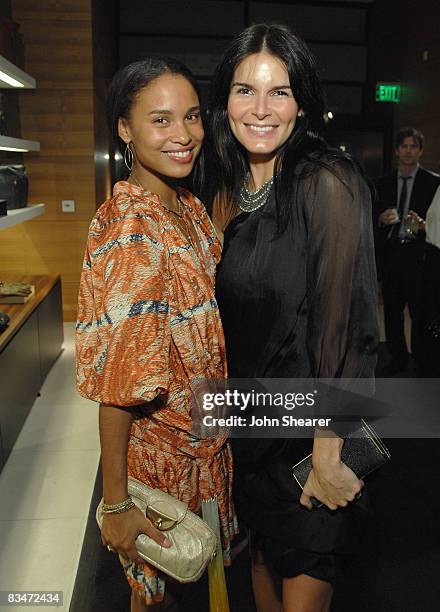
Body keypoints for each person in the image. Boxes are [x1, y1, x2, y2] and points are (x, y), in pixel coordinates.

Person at [203, 23, 379, 612]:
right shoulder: (224, 190)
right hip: (249, 434)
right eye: (244, 90)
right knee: (261, 579)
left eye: (279, 91)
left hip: (311, 442)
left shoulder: (327, 181)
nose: (260, 109)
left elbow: (348, 322)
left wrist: (328, 445)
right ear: (223, 100)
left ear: (301, 101)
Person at [76, 57, 237, 612]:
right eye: (161, 120)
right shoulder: (134, 231)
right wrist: (117, 504)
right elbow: (120, 386)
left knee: (197, 586)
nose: (184, 135)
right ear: (125, 128)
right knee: (156, 596)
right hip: (161, 464)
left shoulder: (185, 207)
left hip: (205, 447)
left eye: (191, 117)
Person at [375, 127, 440, 375]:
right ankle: (398, 359)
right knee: (391, 312)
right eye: (404, 146)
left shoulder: (434, 183)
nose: (409, 151)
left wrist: (424, 225)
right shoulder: (382, 183)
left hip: (420, 256)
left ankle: (422, 361)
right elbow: (372, 217)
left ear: (420, 150)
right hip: (392, 253)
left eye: (413, 146)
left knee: (419, 312)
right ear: (396, 151)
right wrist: (381, 219)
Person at [421, 182, 440, 376]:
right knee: (432, 317)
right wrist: (422, 224)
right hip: (433, 260)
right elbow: (436, 227)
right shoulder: (439, 187)